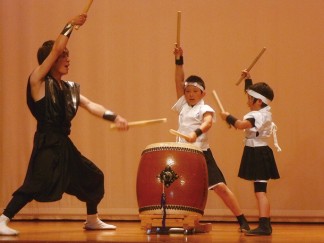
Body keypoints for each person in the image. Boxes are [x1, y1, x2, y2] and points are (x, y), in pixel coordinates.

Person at [0, 13, 129, 236]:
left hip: (63, 144)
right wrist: (69, 25)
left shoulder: (69, 88)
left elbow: (90, 105)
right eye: (63, 56)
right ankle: (3, 219)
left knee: (94, 176)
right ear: (51, 60)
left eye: (68, 56)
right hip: (47, 143)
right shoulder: (37, 81)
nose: (68, 59)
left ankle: (92, 219)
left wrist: (114, 117)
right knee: (36, 183)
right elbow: (57, 48)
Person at [172, 45, 250, 232]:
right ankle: (191, 222)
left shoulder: (205, 108)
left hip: (201, 154)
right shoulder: (183, 104)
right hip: (183, 153)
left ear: (202, 94)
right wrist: (178, 59)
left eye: (194, 91)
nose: (190, 94)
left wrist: (195, 134)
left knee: (220, 187)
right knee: (185, 189)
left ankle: (242, 221)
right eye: (188, 91)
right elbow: (178, 80)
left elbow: (207, 124)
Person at [220, 70, 281, 236]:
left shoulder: (256, 115)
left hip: (258, 152)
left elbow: (240, 125)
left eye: (249, 98)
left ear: (259, 101)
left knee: (260, 191)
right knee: (260, 190)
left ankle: (264, 225)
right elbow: (254, 97)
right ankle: (265, 224)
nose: (247, 101)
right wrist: (249, 81)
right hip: (259, 151)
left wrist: (228, 117)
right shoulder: (264, 111)